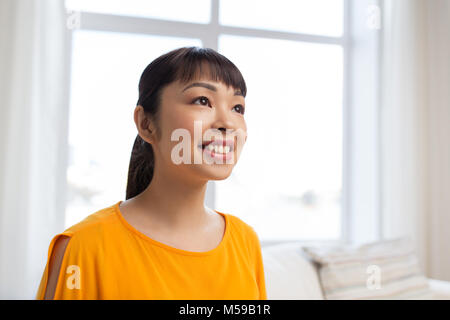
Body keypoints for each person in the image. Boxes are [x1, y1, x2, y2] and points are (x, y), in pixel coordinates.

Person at [36, 46, 267, 300]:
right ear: (146, 124)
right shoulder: (83, 247)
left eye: (238, 108)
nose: (228, 123)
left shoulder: (245, 242)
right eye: (202, 100)